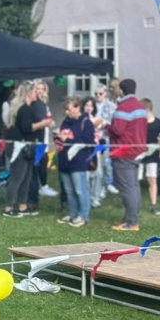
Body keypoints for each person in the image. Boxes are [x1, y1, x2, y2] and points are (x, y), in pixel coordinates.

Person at [3, 81, 54, 217]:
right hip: (19, 148)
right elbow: (27, 128)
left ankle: (22, 206)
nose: (36, 94)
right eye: (34, 91)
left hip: (27, 147)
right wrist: (43, 123)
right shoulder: (23, 109)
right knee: (18, 178)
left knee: (27, 177)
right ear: (28, 93)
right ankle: (8, 207)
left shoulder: (27, 108)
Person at [106, 79, 148, 231]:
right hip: (137, 150)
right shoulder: (140, 107)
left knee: (127, 188)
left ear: (121, 90)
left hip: (124, 152)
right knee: (134, 186)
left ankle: (131, 222)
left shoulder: (123, 107)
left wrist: (106, 126)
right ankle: (131, 217)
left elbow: (118, 130)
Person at [55, 97, 95, 227]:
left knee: (80, 190)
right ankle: (72, 214)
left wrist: (68, 140)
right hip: (64, 160)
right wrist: (57, 137)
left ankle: (83, 216)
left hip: (78, 161)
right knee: (69, 191)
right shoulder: (66, 122)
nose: (67, 112)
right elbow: (61, 139)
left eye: (69, 109)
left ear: (78, 107)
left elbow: (88, 142)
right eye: (66, 110)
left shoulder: (86, 122)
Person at [28, 81, 57, 213]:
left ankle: (43, 185)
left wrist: (50, 123)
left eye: (41, 89)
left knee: (43, 161)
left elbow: (48, 119)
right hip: (37, 139)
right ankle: (41, 187)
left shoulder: (44, 104)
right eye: (37, 88)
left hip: (44, 137)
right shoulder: (35, 105)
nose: (39, 91)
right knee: (39, 162)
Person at [140, 98, 160, 215]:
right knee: (135, 180)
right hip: (139, 153)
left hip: (152, 154)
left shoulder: (159, 123)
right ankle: (134, 203)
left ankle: (154, 204)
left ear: (147, 109)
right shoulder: (138, 122)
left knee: (152, 179)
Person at [94, 84, 118, 197]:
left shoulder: (111, 106)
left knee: (107, 162)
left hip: (106, 136)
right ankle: (100, 186)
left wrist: (103, 124)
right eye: (96, 94)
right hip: (95, 137)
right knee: (97, 163)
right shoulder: (93, 105)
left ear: (105, 93)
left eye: (100, 93)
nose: (98, 96)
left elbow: (113, 121)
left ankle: (109, 183)